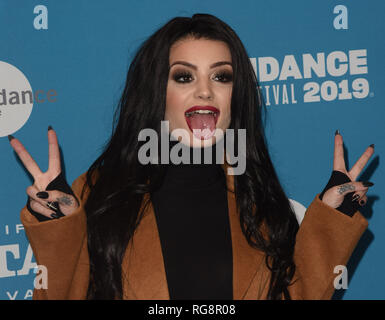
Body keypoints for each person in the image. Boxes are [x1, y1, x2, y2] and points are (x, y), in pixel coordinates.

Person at [8, 13, 374, 300]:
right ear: (155, 91)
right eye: (184, 77)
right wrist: (60, 234)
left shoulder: (259, 197)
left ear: (236, 96)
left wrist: (331, 223)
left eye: (222, 77)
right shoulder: (97, 194)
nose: (205, 90)